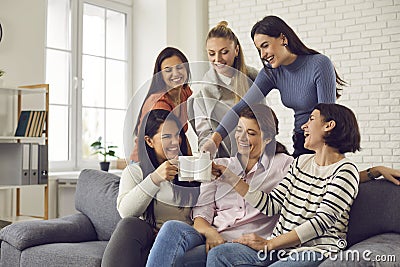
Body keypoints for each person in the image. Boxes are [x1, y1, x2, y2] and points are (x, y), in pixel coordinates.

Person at [201, 15, 400, 185]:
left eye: (265, 46)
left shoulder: (319, 64)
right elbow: (240, 107)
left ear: (283, 39)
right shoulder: (272, 73)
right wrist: (214, 140)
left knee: (328, 181)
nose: (263, 55)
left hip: (323, 140)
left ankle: (376, 171)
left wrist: (323, 154)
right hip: (300, 139)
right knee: (298, 187)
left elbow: (327, 113)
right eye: (259, 49)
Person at [206, 103, 362, 266]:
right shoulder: (301, 162)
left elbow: (321, 222)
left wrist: (270, 244)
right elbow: (271, 205)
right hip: (280, 250)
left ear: (328, 126)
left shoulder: (345, 171)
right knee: (220, 254)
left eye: (311, 119)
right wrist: (231, 178)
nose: (304, 126)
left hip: (313, 251)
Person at [146, 104, 293, 267]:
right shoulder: (219, 165)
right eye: (238, 130)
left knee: (193, 258)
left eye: (250, 133)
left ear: (268, 138)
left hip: (252, 246)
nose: (241, 138)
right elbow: (202, 213)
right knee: (171, 228)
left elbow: (281, 208)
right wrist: (211, 233)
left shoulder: (284, 166)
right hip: (217, 239)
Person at [102, 109, 200, 267]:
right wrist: (155, 178)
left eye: (177, 135)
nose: (175, 141)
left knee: (170, 231)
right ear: (149, 141)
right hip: (149, 237)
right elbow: (126, 213)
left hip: (185, 235)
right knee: (129, 225)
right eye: (167, 136)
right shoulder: (135, 172)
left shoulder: (190, 168)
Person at [188, 21, 260, 158]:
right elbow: (204, 135)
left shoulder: (253, 78)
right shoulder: (203, 93)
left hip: (256, 159)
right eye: (211, 53)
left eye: (224, 52)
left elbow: (264, 121)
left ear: (236, 50)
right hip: (224, 163)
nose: (217, 59)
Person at [130, 47, 192, 162]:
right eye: (168, 70)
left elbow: (181, 135)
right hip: (148, 162)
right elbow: (162, 144)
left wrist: (191, 162)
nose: (175, 73)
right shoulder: (159, 103)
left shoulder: (185, 92)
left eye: (179, 67)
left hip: (167, 158)